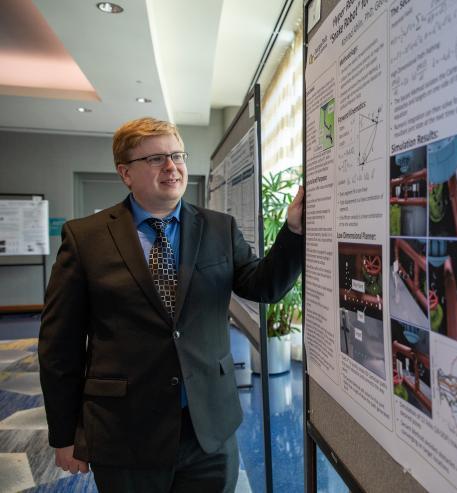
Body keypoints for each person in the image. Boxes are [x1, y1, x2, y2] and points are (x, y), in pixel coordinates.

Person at [38, 117, 303, 492]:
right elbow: (59, 346)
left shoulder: (218, 228)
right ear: (125, 173)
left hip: (208, 431)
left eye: (177, 155)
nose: (171, 166)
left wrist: (293, 233)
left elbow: (265, 285)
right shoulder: (85, 239)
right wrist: (64, 434)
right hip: (126, 433)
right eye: (155, 159)